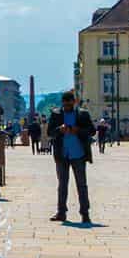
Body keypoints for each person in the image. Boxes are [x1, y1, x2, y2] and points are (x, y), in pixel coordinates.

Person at [47, 92, 94, 226]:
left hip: (78, 154)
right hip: (62, 155)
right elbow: (49, 132)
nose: (67, 106)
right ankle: (61, 212)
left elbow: (92, 130)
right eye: (65, 104)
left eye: (70, 103)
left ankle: (85, 213)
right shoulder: (56, 114)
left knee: (82, 185)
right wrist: (59, 129)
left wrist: (77, 130)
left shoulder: (82, 114)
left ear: (74, 102)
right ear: (62, 102)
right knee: (62, 185)